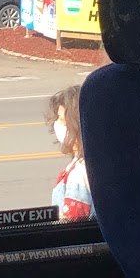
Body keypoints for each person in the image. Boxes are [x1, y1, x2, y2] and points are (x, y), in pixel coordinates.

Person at [48, 85, 92, 221]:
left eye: (61, 120)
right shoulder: (97, 162)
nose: (57, 124)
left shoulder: (80, 175)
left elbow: (71, 225)